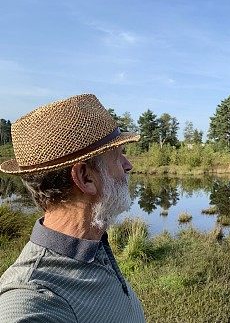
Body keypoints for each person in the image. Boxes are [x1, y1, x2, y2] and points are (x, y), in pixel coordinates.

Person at [0, 94, 145, 322]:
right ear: (86, 177)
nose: (128, 165)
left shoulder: (92, 244)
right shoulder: (33, 299)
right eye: (118, 156)